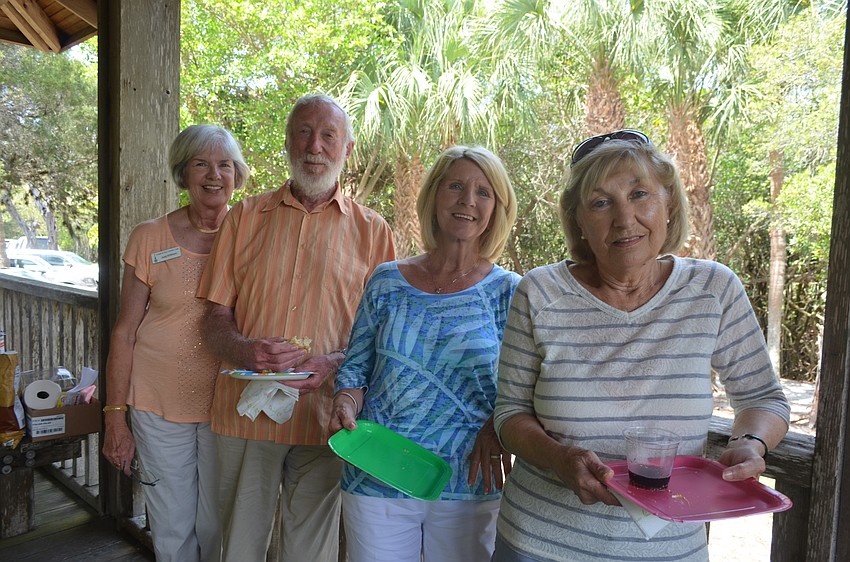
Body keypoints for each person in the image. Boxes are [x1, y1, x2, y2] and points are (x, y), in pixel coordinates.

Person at [491, 130, 791, 562]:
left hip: (669, 547)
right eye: (600, 202)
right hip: (541, 544)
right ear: (578, 221)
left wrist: (751, 442)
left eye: (639, 194)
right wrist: (559, 457)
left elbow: (763, 398)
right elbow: (509, 413)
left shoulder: (713, 289)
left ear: (668, 204)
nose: (624, 218)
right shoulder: (541, 292)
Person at [197, 93, 395, 562]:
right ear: (287, 142)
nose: (315, 146)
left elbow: (382, 336)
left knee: (311, 553)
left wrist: (334, 363)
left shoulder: (374, 233)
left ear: (347, 149)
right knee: (239, 549)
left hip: (326, 418)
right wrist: (246, 351)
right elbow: (213, 321)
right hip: (248, 415)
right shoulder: (243, 218)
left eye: (329, 136)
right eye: (304, 132)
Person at [329, 145, 519, 562]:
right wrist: (345, 399)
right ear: (434, 195)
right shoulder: (387, 280)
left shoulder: (509, 291)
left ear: (497, 208)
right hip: (378, 469)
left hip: (468, 478)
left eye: (484, 192)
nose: (468, 200)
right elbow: (357, 366)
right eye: (456, 186)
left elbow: (524, 386)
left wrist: (499, 425)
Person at [102, 124, 249, 562]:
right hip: (157, 402)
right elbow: (124, 330)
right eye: (200, 164)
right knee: (172, 527)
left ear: (237, 176)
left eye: (224, 165)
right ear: (182, 173)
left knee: (217, 522)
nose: (213, 174)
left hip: (227, 404)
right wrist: (114, 418)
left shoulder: (251, 237)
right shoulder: (150, 237)